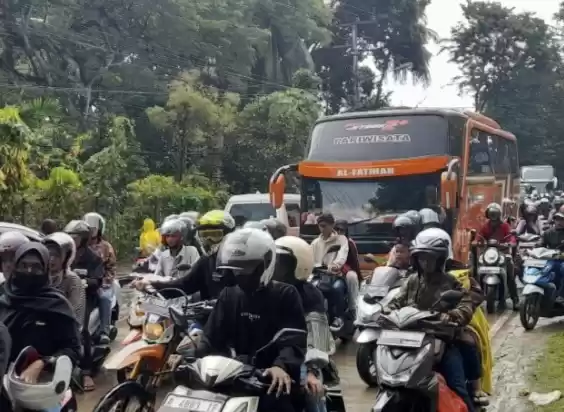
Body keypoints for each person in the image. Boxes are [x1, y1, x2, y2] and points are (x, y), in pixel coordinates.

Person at [196, 228, 307, 412]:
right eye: (236, 268)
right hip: (233, 374)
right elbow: (211, 336)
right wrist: (191, 354)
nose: (241, 275)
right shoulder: (229, 294)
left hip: (270, 379)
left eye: (247, 268)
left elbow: (293, 341)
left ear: (266, 264)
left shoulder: (286, 294)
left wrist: (280, 366)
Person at [386, 236, 476, 412]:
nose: (425, 262)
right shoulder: (412, 281)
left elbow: (465, 306)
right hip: (410, 342)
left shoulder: (451, 282)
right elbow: (395, 303)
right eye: (421, 258)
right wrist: (388, 312)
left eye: (430, 258)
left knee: (458, 387)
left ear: (439, 260)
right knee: (391, 380)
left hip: (440, 342)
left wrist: (450, 316)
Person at [0, 243, 81, 411]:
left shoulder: (57, 305)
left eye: (36, 267)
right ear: (15, 267)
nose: (29, 271)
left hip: (41, 388)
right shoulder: (3, 298)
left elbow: (73, 349)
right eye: (23, 266)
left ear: (45, 270)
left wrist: (43, 363)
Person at [273, 235, 334, 412]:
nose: (275, 268)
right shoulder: (270, 289)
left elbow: (316, 338)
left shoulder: (309, 295)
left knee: (311, 392)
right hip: (274, 357)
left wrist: (311, 371)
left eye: (281, 264)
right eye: (274, 262)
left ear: (299, 265)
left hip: (304, 358)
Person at [134, 210, 236, 300]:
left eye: (215, 235)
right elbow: (184, 285)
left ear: (230, 235)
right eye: (204, 235)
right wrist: (153, 285)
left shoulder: (239, 262)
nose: (209, 240)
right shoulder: (206, 261)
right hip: (208, 314)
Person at [63, 219, 104, 391]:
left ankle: (86, 371)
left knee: (82, 328)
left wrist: (84, 282)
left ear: (84, 238)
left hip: (86, 296)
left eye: (76, 236)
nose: (72, 239)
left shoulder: (93, 258)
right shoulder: (64, 254)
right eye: (70, 236)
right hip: (63, 295)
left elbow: (98, 280)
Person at [310, 213, 352, 330]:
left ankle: (339, 317)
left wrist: (335, 265)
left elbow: (342, 255)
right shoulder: (315, 243)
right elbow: (309, 257)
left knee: (337, 288)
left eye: (324, 226)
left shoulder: (341, 239)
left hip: (336, 276)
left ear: (332, 225)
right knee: (309, 288)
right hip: (319, 275)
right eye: (320, 226)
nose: (322, 229)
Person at [83, 212, 117, 348]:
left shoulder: (106, 247)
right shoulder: (80, 245)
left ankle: (104, 331)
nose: (91, 231)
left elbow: (111, 267)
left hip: (102, 283)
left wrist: (104, 282)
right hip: (83, 281)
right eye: (89, 228)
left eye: (94, 228)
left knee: (104, 298)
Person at [477, 203, 518, 310]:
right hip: (489, 253)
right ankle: (476, 297)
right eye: (491, 214)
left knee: (510, 274)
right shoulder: (485, 226)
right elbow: (479, 237)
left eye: (495, 214)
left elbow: (511, 237)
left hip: (503, 253)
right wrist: (476, 242)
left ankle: (515, 299)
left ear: (499, 214)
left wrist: (510, 243)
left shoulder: (505, 226)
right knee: (476, 269)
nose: (493, 216)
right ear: (488, 214)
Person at [43, 232, 86, 322]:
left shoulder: (72, 280)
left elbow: (75, 312)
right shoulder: (39, 277)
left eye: (57, 255)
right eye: (49, 254)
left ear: (66, 257)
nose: (52, 259)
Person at [334, 219, 360, 314]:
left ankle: (353, 308)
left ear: (346, 231)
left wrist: (342, 269)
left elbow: (354, 263)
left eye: (342, 230)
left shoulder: (350, 243)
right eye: (337, 229)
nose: (339, 232)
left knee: (352, 277)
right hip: (328, 271)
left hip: (346, 271)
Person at [538, 208, 564, 301]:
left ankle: (561, 295)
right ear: (554, 220)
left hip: (562, 260)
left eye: (562, 220)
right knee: (541, 270)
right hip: (551, 259)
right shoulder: (548, 232)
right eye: (557, 219)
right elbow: (541, 243)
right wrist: (536, 247)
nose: (559, 222)